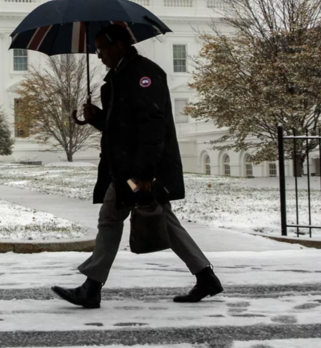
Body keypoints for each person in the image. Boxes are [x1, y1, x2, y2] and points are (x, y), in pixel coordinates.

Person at [51, 24, 223, 309]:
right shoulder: (121, 75)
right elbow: (122, 126)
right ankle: (205, 276)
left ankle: (92, 287)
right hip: (126, 167)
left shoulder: (144, 74)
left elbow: (152, 126)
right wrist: (95, 118)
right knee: (160, 219)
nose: (98, 55)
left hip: (138, 171)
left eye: (101, 48)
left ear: (119, 45)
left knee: (111, 217)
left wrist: (144, 174)